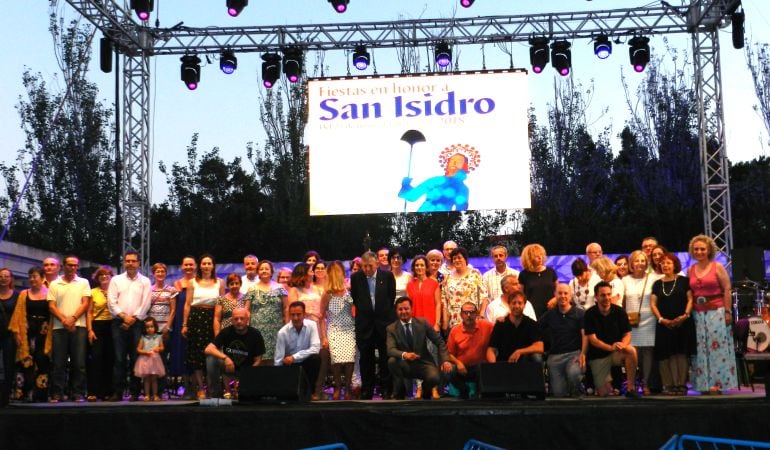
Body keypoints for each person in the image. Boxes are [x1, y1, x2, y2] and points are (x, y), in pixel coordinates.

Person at [687, 234, 737, 394]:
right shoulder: (690, 269)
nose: (699, 251)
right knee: (700, 349)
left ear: (709, 250)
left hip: (717, 312)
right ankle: (703, 384)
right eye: (696, 249)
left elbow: (727, 289)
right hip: (697, 314)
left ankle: (718, 385)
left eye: (702, 249)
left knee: (717, 349)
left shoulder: (718, 267)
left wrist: (728, 311)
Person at [349, 251, 396, 399]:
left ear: (376, 264)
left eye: (370, 266)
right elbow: (356, 298)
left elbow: (391, 297)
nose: (367, 269)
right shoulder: (355, 278)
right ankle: (367, 390)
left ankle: (386, 390)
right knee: (365, 359)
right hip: (365, 324)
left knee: (385, 358)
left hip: (384, 323)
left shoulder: (387, 276)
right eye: (364, 266)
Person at [107, 250, 152, 402]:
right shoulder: (116, 280)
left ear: (139, 263)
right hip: (118, 322)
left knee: (135, 358)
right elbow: (111, 302)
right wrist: (123, 316)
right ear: (124, 262)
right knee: (119, 359)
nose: (130, 263)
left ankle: (134, 393)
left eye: (133, 261)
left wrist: (132, 318)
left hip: (137, 323)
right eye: (128, 261)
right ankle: (117, 392)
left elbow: (146, 302)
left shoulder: (145, 281)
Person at [386, 296, 452, 399]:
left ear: (411, 309)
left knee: (435, 378)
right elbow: (390, 350)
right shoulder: (391, 328)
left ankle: (425, 390)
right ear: (396, 311)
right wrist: (405, 355)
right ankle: (399, 392)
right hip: (405, 364)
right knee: (392, 361)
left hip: (423, 362)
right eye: (400, 309)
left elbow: (439, 341)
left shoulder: (423, 323)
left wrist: (445, 360)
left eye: (406, 308)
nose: (403, 311)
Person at [584, 281, 640, 398]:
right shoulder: (589, 314)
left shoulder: (620, 312)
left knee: (631, 351)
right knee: (604, 393)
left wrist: (622, 345)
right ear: (596, 297)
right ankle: (604, 384)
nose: (607, 298)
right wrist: (610, 347)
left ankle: (631, 388)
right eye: (603, 295)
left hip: (617, 352)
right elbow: (593, 340)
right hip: (598, 356)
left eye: (609, 294)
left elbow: (627, 334)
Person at [47, 255, 91, 403]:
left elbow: (85, 303)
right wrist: (64, 320)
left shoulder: (83, 282)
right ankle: (57, 393)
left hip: (79, 326)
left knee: (79, 363)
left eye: (75, 265)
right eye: (70, 265)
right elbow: (51, 306)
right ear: (63, 266)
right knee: (59, 362)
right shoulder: (54, 283)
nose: (73, 268)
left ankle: (77, 393)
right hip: (59, 327)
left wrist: (72, 318)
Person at [650, 253, 695, 396]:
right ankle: (667, 385)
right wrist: (661, 319)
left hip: (682, 322)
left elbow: (690, 299)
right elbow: (653, 304)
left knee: (681, 354)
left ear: (675, 265)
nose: (665, 265)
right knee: (664, 355)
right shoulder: (657, 284)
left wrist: (685, 315)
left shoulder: (684, 281)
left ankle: (681, 385)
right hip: (663, 324)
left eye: (668, 263)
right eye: (662, 263)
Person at [182, 254, 225, 399]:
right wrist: (185, 324)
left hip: (212, 319)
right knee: (196, 355)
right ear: (200, 266)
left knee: (212, 354)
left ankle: (212, 388)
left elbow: (221, 304)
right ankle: (200, 388)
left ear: (213, 266)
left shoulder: (219, 282)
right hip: (195, 319)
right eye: (204, 263)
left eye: (209, 263)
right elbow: (187, 304)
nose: (206, 266)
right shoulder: (192, 282)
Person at [9, 266, 50, 402]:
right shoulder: (23, 294)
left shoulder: (50, 293)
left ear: (43, 278)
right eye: (30, 276)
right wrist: (17, 333)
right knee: (25, 361)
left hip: (44, 332)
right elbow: (17, 315)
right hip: (27, 331)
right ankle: (25, 394)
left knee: (42, 360)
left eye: (35, 276)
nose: (32, 279)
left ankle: (40, 395)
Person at [204, 307, 265, 399]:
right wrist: (226, 358)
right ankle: (216, 394)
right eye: (236, 319)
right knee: (211, 359)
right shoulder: (226, 332)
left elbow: (258, 361)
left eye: (242, 318)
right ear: (232, 320)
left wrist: (248, 375)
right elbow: (208, 349)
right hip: (229, 368)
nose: (239, 321)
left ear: (247, 320)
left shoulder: (255, 334)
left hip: (247, 371)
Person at [398, 145, 480, 212]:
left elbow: (461, 210)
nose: (454, 162)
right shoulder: (435, 180)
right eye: (452, 160)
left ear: (464, 166)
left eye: (458, 161)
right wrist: (405, 185)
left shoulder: (463, 188)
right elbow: (412, 196)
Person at [287, 263, 327, 398]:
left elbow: (322, 314)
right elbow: (292, 311)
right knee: (303, 359)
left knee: (319, 359)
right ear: (303, 273)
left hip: (317, 326)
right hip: (301, 328)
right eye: (310, 270)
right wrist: (310, 312)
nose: (313, 272)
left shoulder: (318, 289)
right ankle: (303, 390)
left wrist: (324, 335)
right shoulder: (294, 290)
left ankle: (317, 390)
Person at [539, 284, 587, 397]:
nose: (563, 296)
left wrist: (583, 354)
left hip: (574, 354)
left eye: (566, 293)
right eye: (560, 293)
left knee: (573, 374)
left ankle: (579, 393)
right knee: (558, 394)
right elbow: (535, 328)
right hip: (554, 357)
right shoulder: (549, 315)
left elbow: (585, 336)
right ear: (555, 295)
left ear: (570, 296)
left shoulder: (580, 314)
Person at [622, 250, 657, 395]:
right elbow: (622, 302)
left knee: (648, 352)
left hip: (649, 319)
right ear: (631, 263)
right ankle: (632, 383)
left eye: (643, 261)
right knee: (632, 352)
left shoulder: (654, 278)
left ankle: (646, 383)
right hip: (630, 320)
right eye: (637, 260)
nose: (640, 263)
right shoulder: (624, 280)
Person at [320, 261, 356, 400]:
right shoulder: (327, 294)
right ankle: (337, 387)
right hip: (334, 329)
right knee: (335, 360)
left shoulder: (349, 290)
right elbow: (321, 317)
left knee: (349, 359)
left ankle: (347, 388)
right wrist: (324, 337)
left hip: (349, 328)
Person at [244, 260, 288, 366]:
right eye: (261, 269)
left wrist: (287, 326)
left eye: (267, 269)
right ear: (258, 272)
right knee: (259, 357)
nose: (264, 271)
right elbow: (246, 310)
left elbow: (286, 308)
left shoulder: (280, 288)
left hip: (276, 329)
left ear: (272, 272)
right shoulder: (252, 289)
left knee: (276, 358)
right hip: (257, 329)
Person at [447, 301, 493, 399]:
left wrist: (503, 320)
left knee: (483, 368)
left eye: (472, 312)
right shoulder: (455, 330)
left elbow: (500, 331)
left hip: (481, 368)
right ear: (461, 314)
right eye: (465, 312)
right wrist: (458, 363)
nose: (469, 315)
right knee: (448, 368)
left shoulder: (487, 326)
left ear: (476, 313)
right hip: (462, 367)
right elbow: (449, 353)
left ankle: (480, 393)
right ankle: (464, 390)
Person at [275, 301, 321, 398]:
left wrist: (294, 357)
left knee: (316, 358)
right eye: (293, 315)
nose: (295, 318)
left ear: (304, 314)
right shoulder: (282, 332)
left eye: (298, 314)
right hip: (290, 365)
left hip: (305, 362)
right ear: (289, 315)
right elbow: (278, 359)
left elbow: (315, 348)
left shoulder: (312, 325)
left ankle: (311, 392)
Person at [486, 291, 544, 364]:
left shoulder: (531, 324)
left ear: (524, 305)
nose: (516, 306)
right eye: (514, 303)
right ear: (509, 305)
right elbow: (491, 349)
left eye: (520, 303)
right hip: (504, 363)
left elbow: (540, 347)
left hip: (525, 364)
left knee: (537, 357)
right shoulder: (500, 324)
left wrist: (519, 351)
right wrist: (493, 366)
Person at [86, 266, 115, 401]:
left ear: (111, 277)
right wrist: (90, 330)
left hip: (112, 326)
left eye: (107, 275)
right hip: (97, 326)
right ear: (97, 278)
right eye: (101, 275)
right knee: (96, 359)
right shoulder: (92, 292)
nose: (104, 277)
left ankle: (108, 392)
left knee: (110, 360)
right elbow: (89, 312)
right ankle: (93, 391)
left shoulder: (116, 291)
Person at [442, 247, 488, 330]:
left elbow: (484, 295)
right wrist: (445, 321)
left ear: (465, 259)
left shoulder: (475, 274)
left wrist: (481, 314)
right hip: (454, 321)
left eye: (459, 257)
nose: (457, 260)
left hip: (473, 318)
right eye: (454, 258)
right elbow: (444, 301)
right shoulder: (447, 278)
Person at [171, 256, 196, 395]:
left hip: (197, 321)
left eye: (191, 265)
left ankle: (197, 386)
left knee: (196, 355)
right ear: (181, 267)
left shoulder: (199, 282)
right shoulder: (177, 284)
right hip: (181, 322)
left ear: (195, 266)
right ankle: (186, 386)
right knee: (183, 354)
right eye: (186, 265)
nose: (188, 267)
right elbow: (174, 308)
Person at [518, 243, 557, 318]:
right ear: (529, 258)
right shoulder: (523, 274)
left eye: (541, 255)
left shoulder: (550, 271)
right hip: (531, 313)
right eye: (536, 256)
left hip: (551, 311)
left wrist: (555, 299)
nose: (540, 257)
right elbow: (521, 295)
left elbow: (558, 290)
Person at [134, 317, 165, 401]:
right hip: (145, 360)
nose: (150, 329)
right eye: (147, 327)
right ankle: (147, 395)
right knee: (146, 378)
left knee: (154, 378)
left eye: (151, 326)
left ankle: (155, 395)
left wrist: (158, 349)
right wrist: (145, 352)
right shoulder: (143, 337)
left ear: (155, 327)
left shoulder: (158, 337)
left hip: (155, 360)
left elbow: (162, 347)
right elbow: (138, 349)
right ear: (145, 328)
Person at [406, 255, 441, 331]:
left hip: (431, 324)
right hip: (414, 324)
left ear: (426, 267)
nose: (419, 267)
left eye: (422, 265)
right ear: (413, 268)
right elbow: (408, 306)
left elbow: (438, 304)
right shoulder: (409, 285)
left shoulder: (434, 283)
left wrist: (437, 324)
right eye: (417, 265)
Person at [0, 268, 19, 403]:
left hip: (10, 334)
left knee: (9, 365)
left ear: (11, 279)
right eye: (1, 276)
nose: (3, 278)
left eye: (6, 276)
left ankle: (6, 397)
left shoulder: (17, 295)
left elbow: (19, 316)